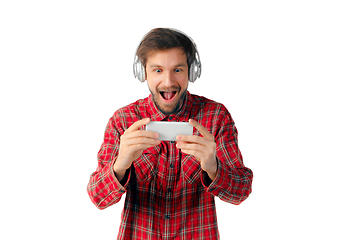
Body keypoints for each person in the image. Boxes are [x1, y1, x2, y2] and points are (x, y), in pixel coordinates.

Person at [87, 28, 253, 240]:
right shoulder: (123, 120)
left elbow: (241, 192)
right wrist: (120, 164)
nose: (168, 82)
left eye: (177, 70)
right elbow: (98, 198)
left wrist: (213, 167)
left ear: (191, 72)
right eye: (157, 70)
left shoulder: (216, 116)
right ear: (143, 72)